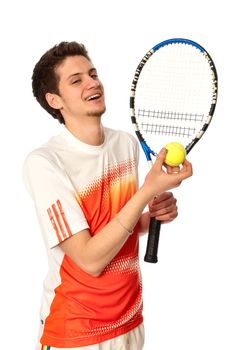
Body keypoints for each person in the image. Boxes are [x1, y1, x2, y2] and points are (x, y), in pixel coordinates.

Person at [23, 41, 193, 350]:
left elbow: (114, 228)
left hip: (130, 322)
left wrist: (150, 217)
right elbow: (89, 259)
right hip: (77, 333)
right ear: (54, 100)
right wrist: (146, 192)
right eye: (77, 80)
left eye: (93, 73)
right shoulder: (45, 163)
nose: (93, 83)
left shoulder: (125, 145)